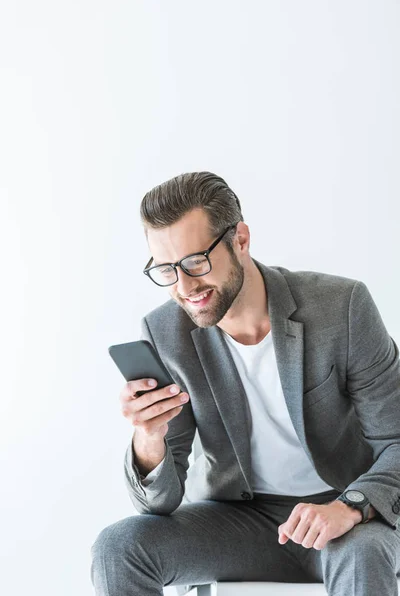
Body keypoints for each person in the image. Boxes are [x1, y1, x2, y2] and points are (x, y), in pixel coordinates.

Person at [91, 171, 400, 596]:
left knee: (364, 553)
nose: (184, 287)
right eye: (165, 269)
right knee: (118, 548)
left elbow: (396, 441)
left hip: (340, 515)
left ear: (240, 239)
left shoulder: (341, 307)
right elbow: (157, 505)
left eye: (195, 261)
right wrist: (149, 438)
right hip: (237, 522)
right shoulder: (165, 333)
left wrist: (350, 507)